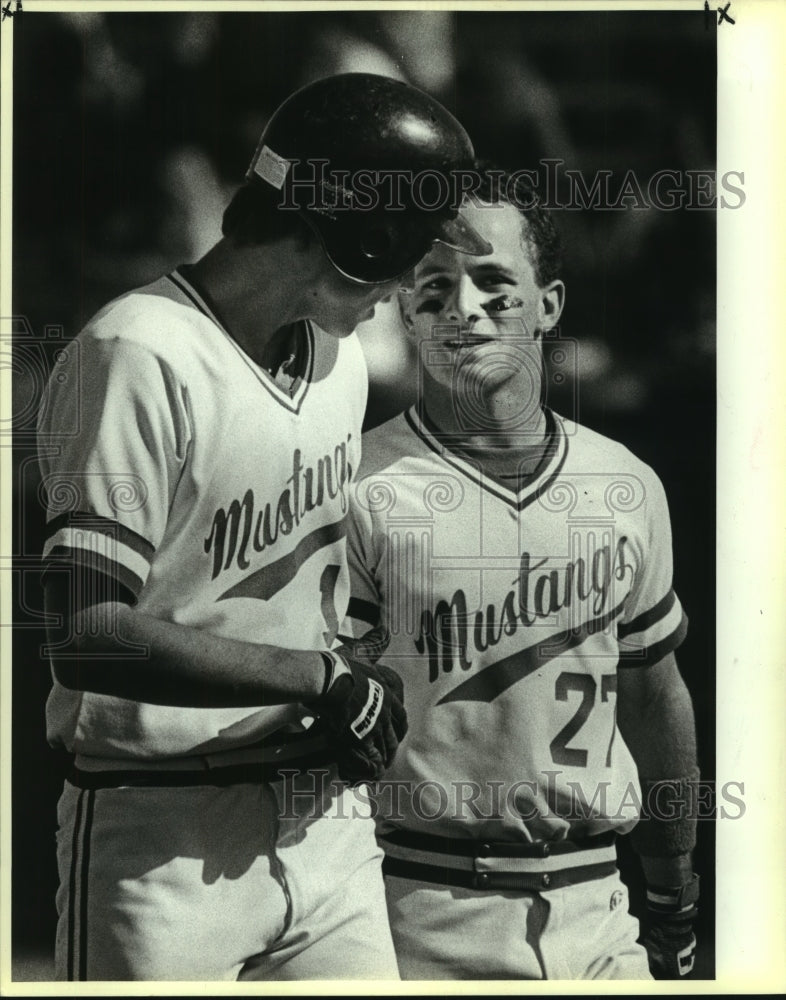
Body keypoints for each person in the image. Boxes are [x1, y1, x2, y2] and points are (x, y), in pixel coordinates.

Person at [36, 73, 492, 982]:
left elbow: (293, 579)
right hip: (162, 836)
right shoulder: (136, 353)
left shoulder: (337, 361)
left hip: (325, 822)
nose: (407, 288)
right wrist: (315, 676)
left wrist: (349, 660)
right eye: (406, 256)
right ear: (358, 234)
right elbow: (85, 634)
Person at [341, 164, 701, 980]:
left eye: (494, 283)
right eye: (433, 286)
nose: (463, 309)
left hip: (597, 905)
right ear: (404, 307)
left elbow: (653, 693)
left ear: (550, 305)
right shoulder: (358, 486)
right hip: (418, 906)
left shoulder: (625, 482)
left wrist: (674, 892)